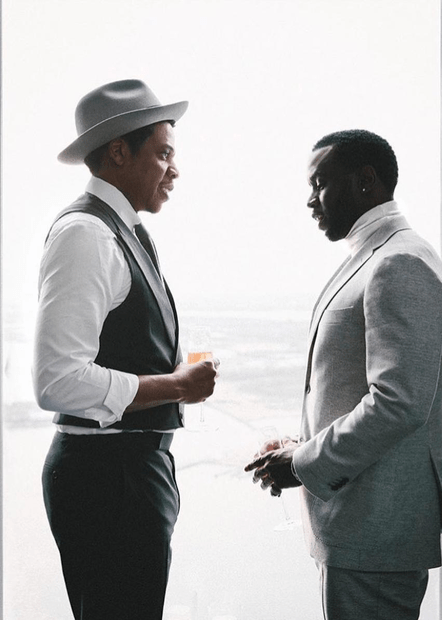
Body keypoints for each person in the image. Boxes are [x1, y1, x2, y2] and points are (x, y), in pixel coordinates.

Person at [245, 129, 442, 619]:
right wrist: (299, 443)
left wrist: (302, 463)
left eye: (319, 184)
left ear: (365, 181)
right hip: (364, 530)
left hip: (376, 533)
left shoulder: (399, 262)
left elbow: (398, 403)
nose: (310, 201)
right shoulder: (379, 255)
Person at [33, 79, 218, 620]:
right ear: (118, 152)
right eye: (163, 154)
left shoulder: (122, 230)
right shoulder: (87, 234)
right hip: (108, 482)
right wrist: (176, 386)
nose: (174, 170)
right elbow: (57, 380)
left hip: (127, 474)